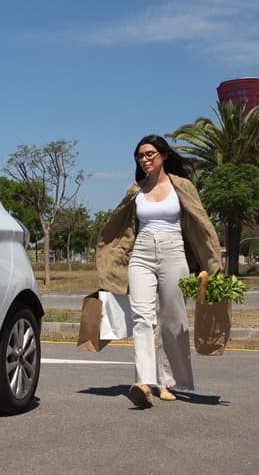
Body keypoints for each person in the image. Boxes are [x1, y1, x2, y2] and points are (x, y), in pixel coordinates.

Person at [95, 135, 222, 408]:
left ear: (164, 156)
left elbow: (202, 225)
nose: (145, 159)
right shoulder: (135, 191)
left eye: (150, 154)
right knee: (142, 318)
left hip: (174, 252)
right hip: (141, 254)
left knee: (173, 320)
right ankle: (144, 382)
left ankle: (167, 382)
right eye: (141, 156)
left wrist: (212, 263)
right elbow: (122, 229)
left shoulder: (183, 187)